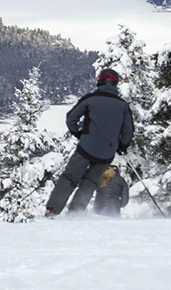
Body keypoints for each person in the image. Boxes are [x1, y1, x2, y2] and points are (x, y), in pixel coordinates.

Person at [45, 68, 134, 216]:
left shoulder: (90, 99)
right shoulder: (123, 105)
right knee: (90, 182)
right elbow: (128, 131)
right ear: (115, 84)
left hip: (86, 148)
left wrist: (79, 134)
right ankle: (75, 213)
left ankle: (52, 210)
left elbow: (71, 118)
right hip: (107, 152)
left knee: (70, 178)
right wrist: (122, 146)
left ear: (99, 81)